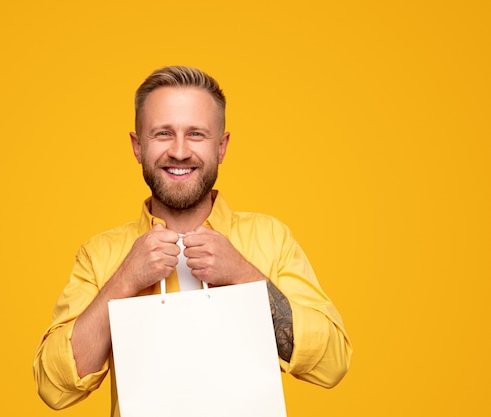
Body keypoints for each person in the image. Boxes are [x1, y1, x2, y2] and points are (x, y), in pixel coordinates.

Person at [33, 65, 352, 416]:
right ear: (138, 147)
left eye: (196, 134)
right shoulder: (100, 254)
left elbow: (331, 364)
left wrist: (244, 275)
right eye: (163, 134)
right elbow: (54, 387)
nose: (180, 151)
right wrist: (124, 280)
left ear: (222, 146)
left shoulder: (270, 238)